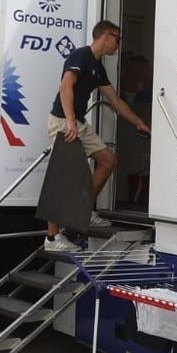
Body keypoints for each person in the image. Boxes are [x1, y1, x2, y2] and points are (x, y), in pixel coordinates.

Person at [45, 20, 148, 254]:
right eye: (118, 39)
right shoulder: (80, 56)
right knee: (62, 179)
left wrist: (139, 123)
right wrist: (70, 120)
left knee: (108, 161)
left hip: (79, 123)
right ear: (106, 35)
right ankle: (51, 239)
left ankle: (83, 211)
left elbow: (115, 101)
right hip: (63, 121)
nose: (119, 45)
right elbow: (65, 87)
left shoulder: (98, 67)